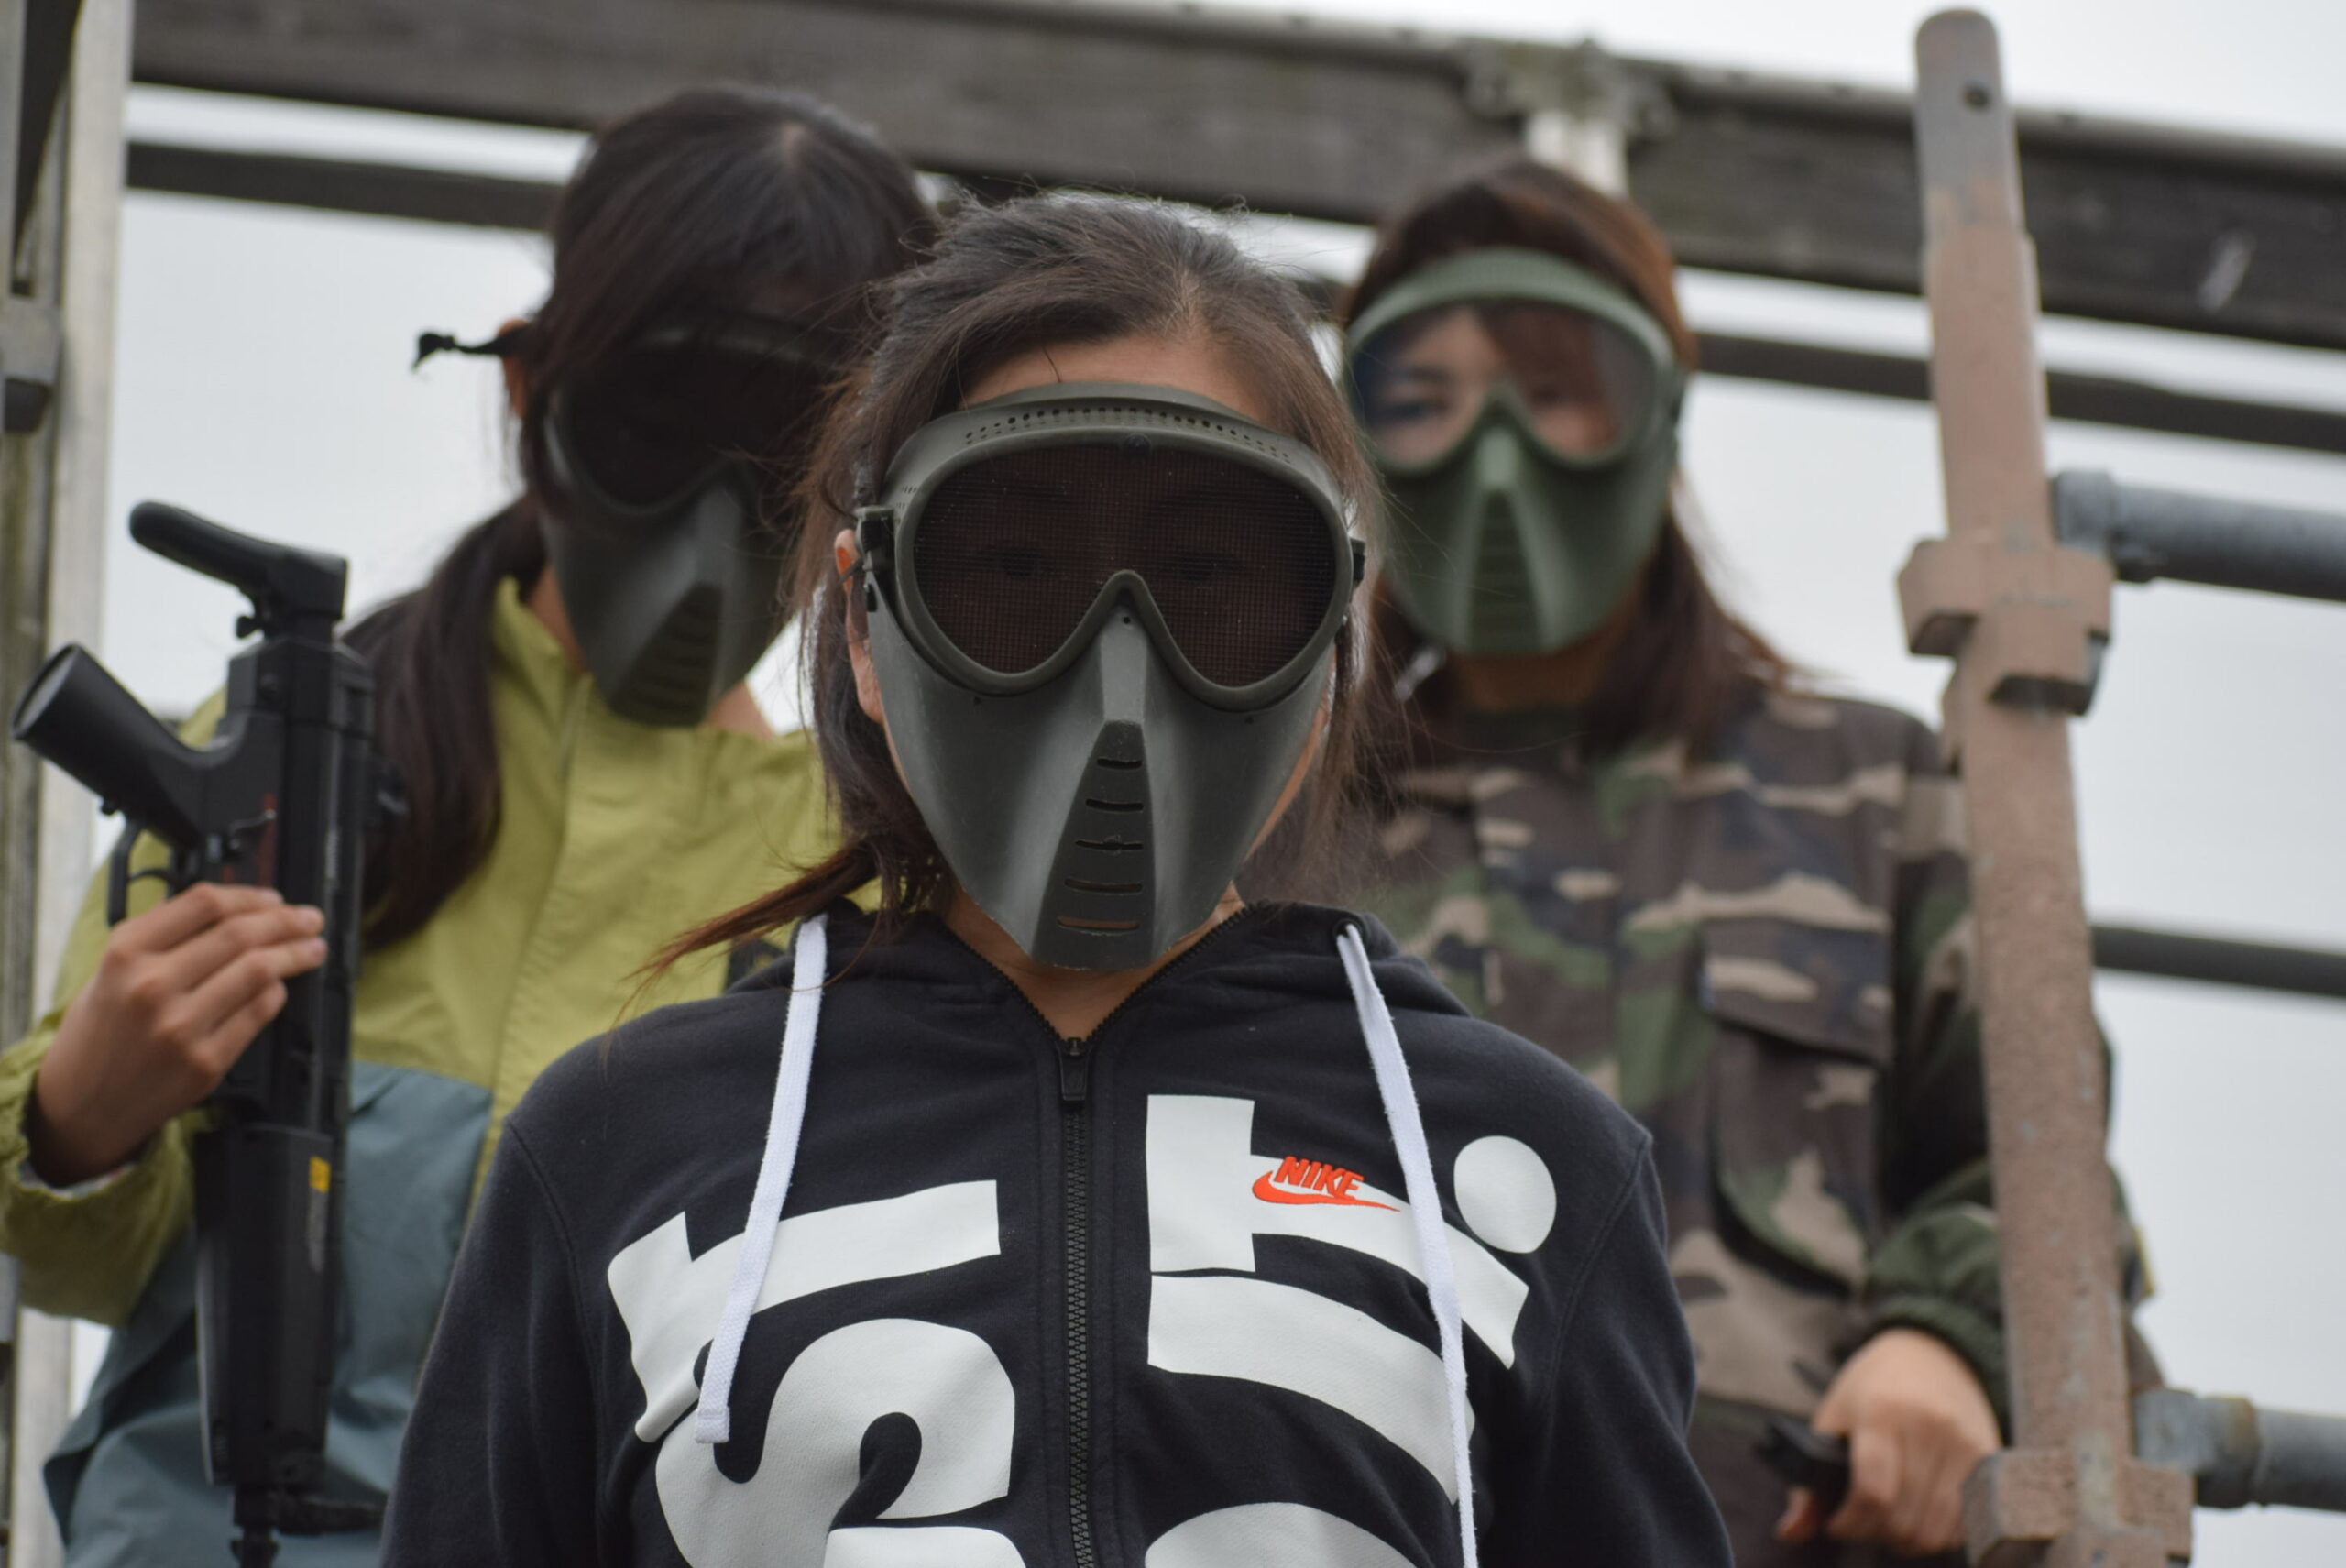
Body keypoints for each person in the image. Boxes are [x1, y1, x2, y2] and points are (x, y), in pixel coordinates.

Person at [382, 193, 1734, 1567]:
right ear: (868, 621)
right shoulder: (623, 1143)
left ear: (1331, 632)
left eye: (1210, 578)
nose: (1118, 672)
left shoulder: (1524, 1165)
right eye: (1015, 569)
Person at [0, 87, 932, 1564]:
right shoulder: (288, 758)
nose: (709, 526)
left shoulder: (872, 881)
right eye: (654, 427)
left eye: (777, 455)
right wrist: (75, 1123)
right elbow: (91, 1266)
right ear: (529, 392)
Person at [1341, 158, 2158, 1565]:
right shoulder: (1284, 828)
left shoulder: (1868, 793)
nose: (1493, 456)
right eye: (1422, 401)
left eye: (1556, 390)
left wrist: (1940, 1344)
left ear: (1657, 420)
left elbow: (2044, 1173)